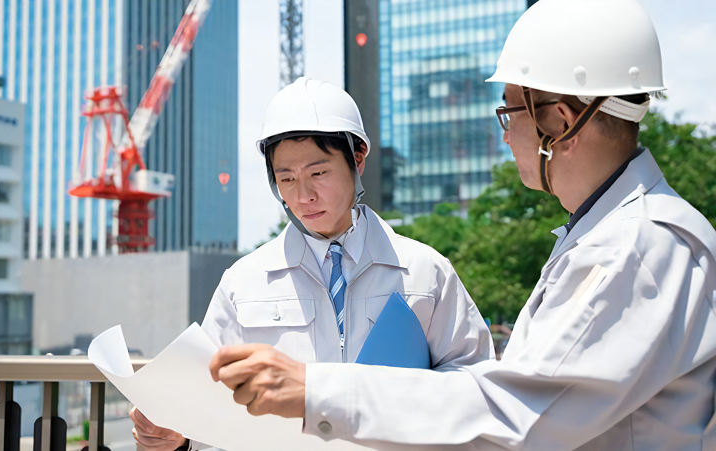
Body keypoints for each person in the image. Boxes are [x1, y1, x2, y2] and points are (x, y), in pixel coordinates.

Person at [207, 1, 716, 449]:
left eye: (509, 112)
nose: (505, 135)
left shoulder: (634, 248)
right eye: (286, 178)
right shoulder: (609, 237)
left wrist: (317, 391)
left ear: (559, 122)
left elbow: (513, 414)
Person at [130, 77, 494, 451]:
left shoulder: (425, 272)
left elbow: (477, 389)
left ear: (358, 159)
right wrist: (178, 435)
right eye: (286, 178)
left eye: (318, 173)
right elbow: (205, 402)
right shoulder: (244, 283)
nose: (303, 196)